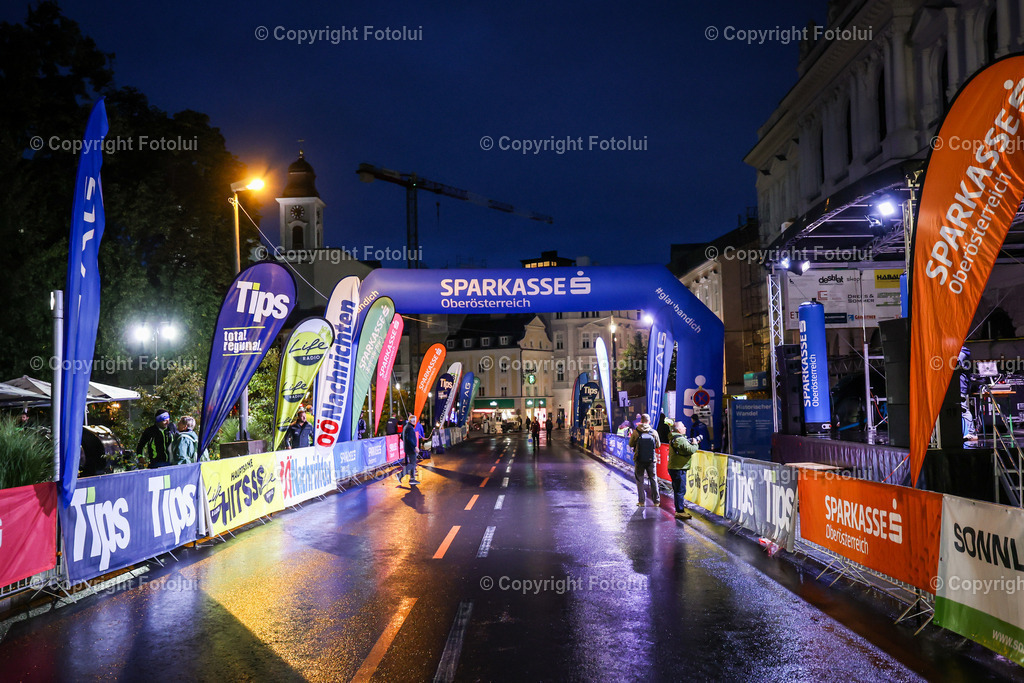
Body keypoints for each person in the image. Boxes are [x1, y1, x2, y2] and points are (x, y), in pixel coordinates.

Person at [668, 421, 700, 519]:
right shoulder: (679, 439)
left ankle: (679, 509)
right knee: (680, 490)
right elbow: (690, 450)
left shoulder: (676, 438)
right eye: (683, 426)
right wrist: (695, 444)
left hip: (676, 467)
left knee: (678, 490)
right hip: (679, 468)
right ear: (678, 429)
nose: (685, 428)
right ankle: (680, 511)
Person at [629, 413, 661, 506]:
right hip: (651, 460)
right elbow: (658, 445)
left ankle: (641, 501)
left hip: (639, 459)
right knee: (653, 479)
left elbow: (631, 444)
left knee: (640, 480)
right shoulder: (653, 432)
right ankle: (656, 501)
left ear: (641, 421)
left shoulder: (636, 432)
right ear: (649, 421)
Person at [399, 415, 420, 484]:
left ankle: (412, 479)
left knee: (412, 463)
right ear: (413, 421)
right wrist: (415, 446)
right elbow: (410, 439)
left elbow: (402, 436)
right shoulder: (410, 428)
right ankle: (400, 475)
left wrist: (406, 443)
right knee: (412, 463)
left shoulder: (406, 427)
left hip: (407, 448)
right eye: (415, 420)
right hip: (411, 448)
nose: (415, 422)